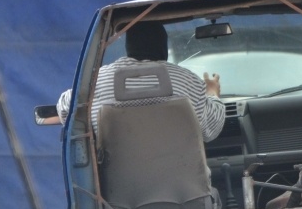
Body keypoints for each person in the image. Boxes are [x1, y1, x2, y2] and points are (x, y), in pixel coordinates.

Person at [56, 22, 225, 143]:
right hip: (184, 183)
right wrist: (212, 92)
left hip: (115, 183)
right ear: (163, 48)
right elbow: (211, 131)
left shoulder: (95, 82)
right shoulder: (187, 81)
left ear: (129, 47)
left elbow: (66, 109)